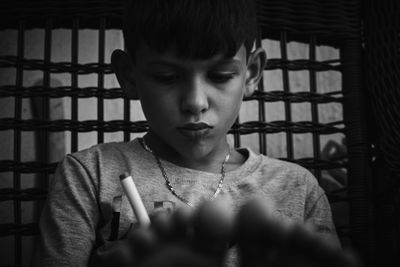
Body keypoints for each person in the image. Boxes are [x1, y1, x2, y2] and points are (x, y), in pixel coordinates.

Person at [32, 0, 352, 266]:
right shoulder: (91, 175)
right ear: (129, 76)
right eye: (167, 77)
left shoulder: (296, 188)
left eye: (220, 75)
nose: (195, 103)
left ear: (251, 74)